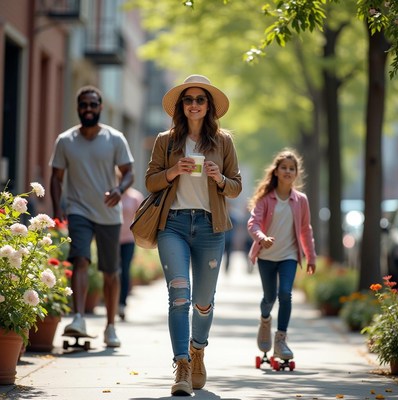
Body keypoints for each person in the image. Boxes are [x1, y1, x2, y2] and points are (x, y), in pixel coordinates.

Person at [145, 74, 242, 396]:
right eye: (189, 99)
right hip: (172, 224)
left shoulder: (223, 141)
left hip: (210, 228)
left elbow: (236, 186)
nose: (195, 105)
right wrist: (173, 171)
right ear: (181, 106)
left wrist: (219, 179)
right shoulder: (166, 140)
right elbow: (150, 181)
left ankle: (198, 349)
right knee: (179, 298)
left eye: (201, 100)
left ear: (209, 106)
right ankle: (182, 365)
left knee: (203, 303)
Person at [49, 85, 134, 348]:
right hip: (78, 210)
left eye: (93, 104)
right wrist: (57, 209)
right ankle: (78, 318)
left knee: (111, 272)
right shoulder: (65, 140)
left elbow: (129, 170)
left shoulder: (115, 138)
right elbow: (56, 177)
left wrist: (120, 189)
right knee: (80, 260)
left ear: (100, 108)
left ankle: (110, 327)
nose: (88, 109)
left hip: (109, 213)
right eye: (83, 104)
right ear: (78, 108)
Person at [247, 148, 316, 362]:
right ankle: (265, 320)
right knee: (269, 298)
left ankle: (281, 340)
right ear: (276, 171)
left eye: (291, 168)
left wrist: (311, 256)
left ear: (296, 173)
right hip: (267, 257)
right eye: (284, 168)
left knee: (285, 294)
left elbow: (305, 230)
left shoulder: (301, 200)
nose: (287, 171)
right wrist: (262, 237)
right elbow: (253, 223)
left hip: (288, 256)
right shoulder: (265, 199)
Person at [118, 186, 144, 320]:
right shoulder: (113, 194)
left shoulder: (135, 197)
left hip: (128, 239)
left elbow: (143, 217)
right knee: (112, 271)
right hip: (113, 239)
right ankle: (112, 301)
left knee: (125, 271)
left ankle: (122, 303)